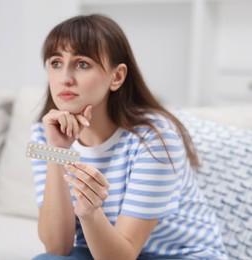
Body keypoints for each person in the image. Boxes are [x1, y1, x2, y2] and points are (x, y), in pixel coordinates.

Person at [30, 14, 227, 260]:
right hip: (100, 250)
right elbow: (57, 248)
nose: (65, 78)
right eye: (56, 63)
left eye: (82, 64)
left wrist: (91, 213)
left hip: (179, 255)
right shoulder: (43, 133)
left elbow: (122, 255)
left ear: (117, 77)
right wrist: (57, 152)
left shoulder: (155, 137)